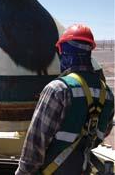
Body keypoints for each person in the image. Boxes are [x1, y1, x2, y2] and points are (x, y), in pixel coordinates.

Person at [15, 24, 114, 175]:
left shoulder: (59, 89)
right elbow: (103, 131)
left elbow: (35, 143)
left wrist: (23, 172)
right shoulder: (106, 93)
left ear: (65, 53)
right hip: (83, 168)